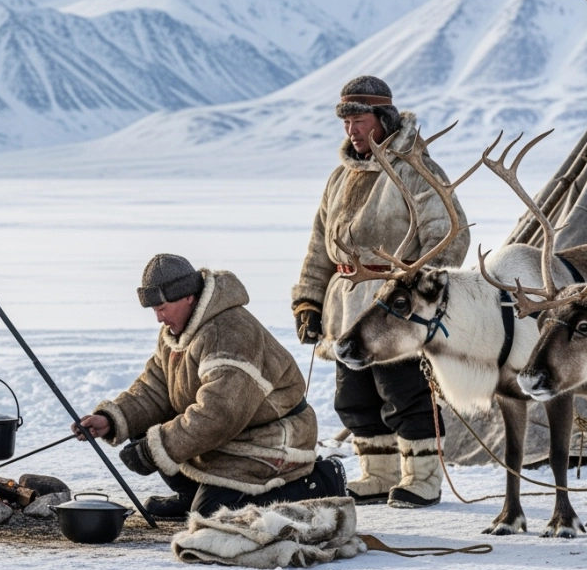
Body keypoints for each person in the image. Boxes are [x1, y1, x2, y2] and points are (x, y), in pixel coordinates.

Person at [291, 75, 469, 508]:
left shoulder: (415, 169)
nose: (351, 130)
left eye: (359, 120)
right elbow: (320, 246)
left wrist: (417, 295)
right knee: (353, 396)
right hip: (345, 301)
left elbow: (450, 236)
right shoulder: (340, 177)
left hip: (396, 307)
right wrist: (309, 301)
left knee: (403, 391)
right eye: (345, 122)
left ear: (383, 118)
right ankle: (378, 474)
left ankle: (423, 478)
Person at [73, 254, 345, 519]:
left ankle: (321, 480)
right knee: (142, 427)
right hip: (230, 436)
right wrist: (111, 418)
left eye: (162, 308)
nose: (158, 318)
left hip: (270, 441)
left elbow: (219, 414)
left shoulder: (228, 333)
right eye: (155, 310)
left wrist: (156, 448)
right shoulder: (176, 331)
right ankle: (191, 493)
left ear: (188, 297)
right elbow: (155, 388)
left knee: (211, 515)